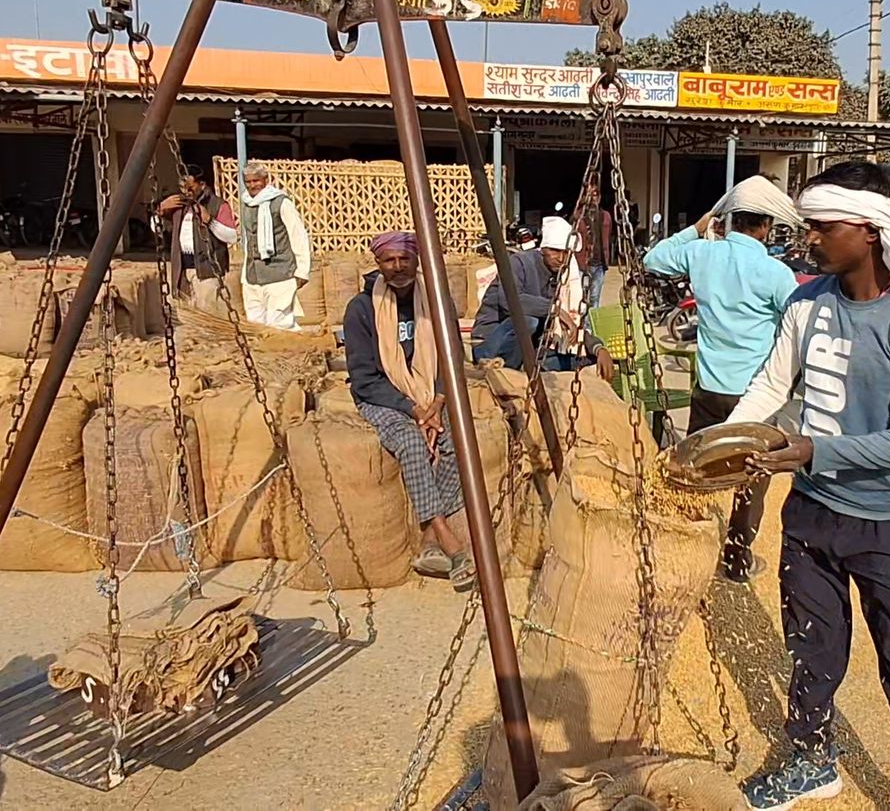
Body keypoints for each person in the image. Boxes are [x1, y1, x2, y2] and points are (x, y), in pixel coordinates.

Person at [728, 161, 890, 809]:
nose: (811, 239)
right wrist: (722, 445)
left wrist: (807, 449)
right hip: (812, 517)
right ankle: (810, 760)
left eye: (822, 226)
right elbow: (774, 386)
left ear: (868, 229)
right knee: (811, 652)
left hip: (888, 527)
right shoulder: (806, 302)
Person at [644, 175, 800, 582]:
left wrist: (695, 228)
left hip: (709, 390)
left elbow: (653, 260)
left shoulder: (701, 254)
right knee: (752, 479)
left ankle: (685, 545)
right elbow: (795, 325)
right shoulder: (775, 272)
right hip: (756, 397)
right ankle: (735, 558)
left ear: (727, 221)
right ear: (765, 226)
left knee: (697, 468)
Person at [343, 231, 475, 591]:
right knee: (411, 443)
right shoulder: (362, 308)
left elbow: (452, 361)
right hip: (384, 397)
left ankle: (426, 543)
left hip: (432, 394)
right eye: (390, 260)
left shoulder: (436, 301)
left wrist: (438, 403)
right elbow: (364, 377)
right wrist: (414, 411)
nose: (398, 267)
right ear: (378, 264)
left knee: (458, 444)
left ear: (416, 261)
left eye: (405, 259)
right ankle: (447, 540)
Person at [472, 216, 614, 380]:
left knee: (586, 361)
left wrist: (598, 348)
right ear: (543, 249)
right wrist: (555, 310)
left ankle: (524, 368)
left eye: (565, 253)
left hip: (529, 349)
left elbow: (574, 324)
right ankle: (507, 372)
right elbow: (508, 302)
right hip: (490, 340)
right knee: (529, 321)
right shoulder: (519, 263)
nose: (560, 258)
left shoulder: (562, 276)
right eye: (555, 251)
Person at [156, 164, 238, 313]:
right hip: (182, 271)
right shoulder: (179, 206)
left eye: (190, 187)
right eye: (183, 187)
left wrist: (210, 221)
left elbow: (232, 237)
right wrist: (160, 210)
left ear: (202, 185)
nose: (186, 192)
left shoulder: (217, 205)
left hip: (206, 272)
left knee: (207, 317)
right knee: (186, 318)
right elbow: (158, 230)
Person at [240, 162, 311, 331]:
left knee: (280, 323)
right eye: (248, 182)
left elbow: (298, 235)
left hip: (280, 272)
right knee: (255, 324)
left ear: (265, 180)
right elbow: (249, 241)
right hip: (253, 275)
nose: (252, 185)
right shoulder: (246, 203)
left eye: (256, 181)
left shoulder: (281, 202)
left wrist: (302, 271)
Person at [575, 188, 613, 313]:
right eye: (590, 195)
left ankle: (591, 327)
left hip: (599, 264)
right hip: (584, 264)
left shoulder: (605, 216)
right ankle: (583, 325)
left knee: (594, 298)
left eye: (595, 195)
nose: (593, 198)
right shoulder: (579, 216)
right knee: (582, 297)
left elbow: (608, 236)